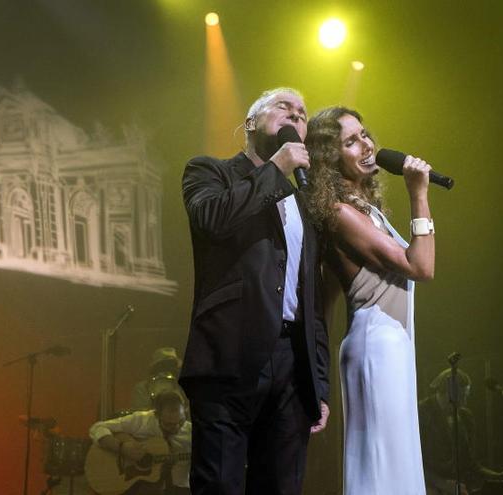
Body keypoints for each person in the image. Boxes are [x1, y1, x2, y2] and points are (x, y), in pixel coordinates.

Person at [180, 87, 330, 495]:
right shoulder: (208, 171)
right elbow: (211, 218)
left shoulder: (302, 201)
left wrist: (319, 382)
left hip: (290, 366)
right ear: (250, 123)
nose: (297, 116)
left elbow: (311, 297)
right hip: (228, 355)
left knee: (282, 486)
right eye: (284, 107)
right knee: (220, 485)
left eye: (302, 114)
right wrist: (276, 168)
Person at [304, 106, 435, 494]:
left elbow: (324, 302)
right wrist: (419, 194)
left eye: (364, 135)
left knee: (395, 463)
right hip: (377, 345)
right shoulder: (340, 213)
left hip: (389, 344)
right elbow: (421, 266)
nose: (366, 145)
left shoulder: (363, 211)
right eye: (350, 141)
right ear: (330, 159)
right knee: (382, 466)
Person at [419, 369, 503, 495]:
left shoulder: (465, 417)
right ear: (447, 392)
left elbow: (469, 462)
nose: (464, 401)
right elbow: (413, 462)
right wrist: (442, 483)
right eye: (461, 396)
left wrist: (497, 476)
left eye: (466, 396)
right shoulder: (421, 414)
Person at [88, 391, 192, 494]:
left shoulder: (191, 431)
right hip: (138, 488)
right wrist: (122, 447)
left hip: (178, 488)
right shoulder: (142, 420)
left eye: (180, 421)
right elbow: (97, 427)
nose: (176, 428)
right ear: (157, 415)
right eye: (169, 424)